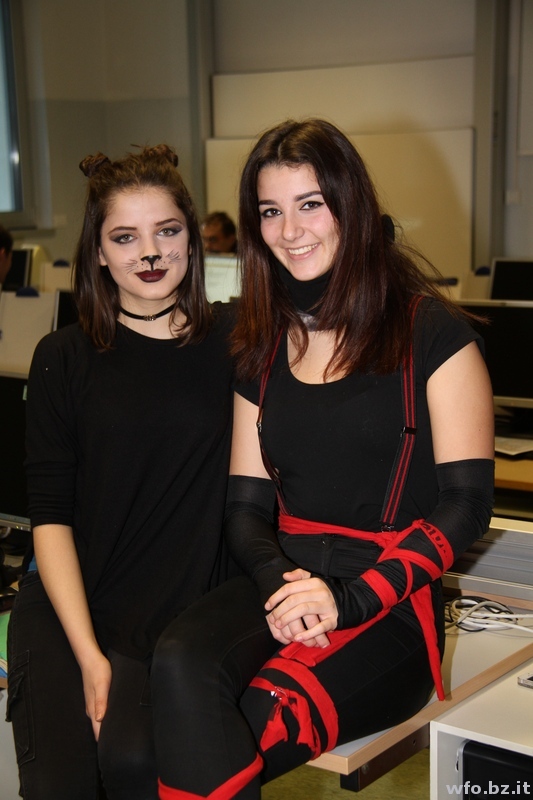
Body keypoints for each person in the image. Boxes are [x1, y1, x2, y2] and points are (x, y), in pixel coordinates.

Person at [151, 119, 494, 800]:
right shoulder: (261, 344)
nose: (289, 231)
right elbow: (246, 507)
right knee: (176, 663)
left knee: (248, 722)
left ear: (349, 206)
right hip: (283, 585)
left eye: (310, 204)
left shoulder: (432, 333)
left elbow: (466, 506)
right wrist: (284, 585)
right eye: (269, 212)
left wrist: (348, 599)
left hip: (388, 603)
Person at [7, 144, 235, 800]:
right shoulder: (63, 357)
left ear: (191, 239)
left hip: (175, 605)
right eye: (125, 237)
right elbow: (50, 515)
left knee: (134, 765)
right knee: (60, 785)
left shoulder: (237, 343)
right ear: (99, 253)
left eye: (167, 231)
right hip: (68, 602)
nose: (150, 253)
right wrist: (87, 656)